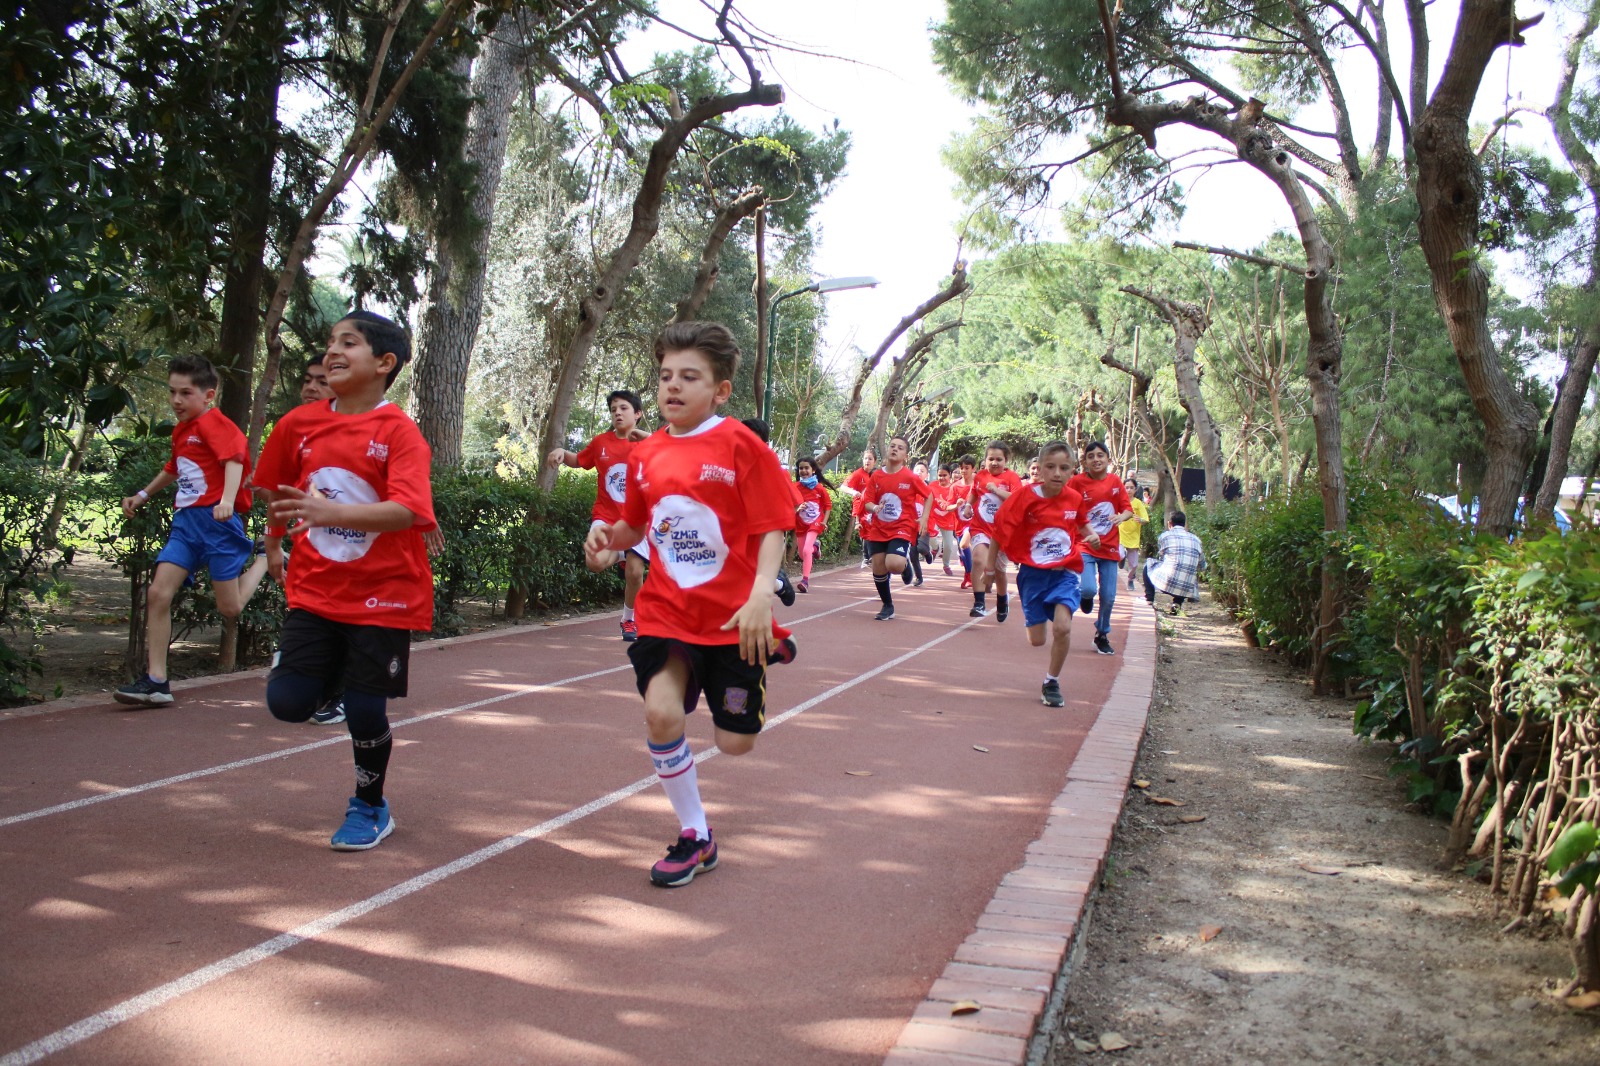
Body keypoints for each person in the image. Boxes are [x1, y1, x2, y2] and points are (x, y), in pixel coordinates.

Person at [583, 321, 796, 888]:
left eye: (689, 377)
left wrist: (759, 597)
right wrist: (608, 539)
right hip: (667, 611)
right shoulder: (647, 452)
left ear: (720, 390)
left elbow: (775, 526)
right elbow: (636, 524)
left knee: (736, 744)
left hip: (732, 618)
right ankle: (695, 834)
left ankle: (768, 640)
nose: (672, 387)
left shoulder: (740, 445)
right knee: (661, 712)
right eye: (665, 376)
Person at [255, 309, 437, 851]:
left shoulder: (400, 433)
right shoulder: (298, 423)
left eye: (348, 343)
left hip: (383, 594)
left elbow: (407, 509)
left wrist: (327, 512)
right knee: (288, 703)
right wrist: (272, 541)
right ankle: (329, 672)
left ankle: (369, 806)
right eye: (331, 341)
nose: (333, 351)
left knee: (364, 711)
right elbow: (279, 490)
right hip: (316, 588)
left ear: (384, 363)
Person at [115, 355, 269, 706]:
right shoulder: (183, 430)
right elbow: (174, 468)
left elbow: (233, 460)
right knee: (158, 593)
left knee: (229, 609)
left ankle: (261, 559)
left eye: (185, 393)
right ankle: (156, 681)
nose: (176, 401)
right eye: (172, 392)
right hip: (186, 525)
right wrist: (141, 494)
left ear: (208, 395)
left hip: (217, 523)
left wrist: (228, 499)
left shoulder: (217, 425)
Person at [548, 389, 651, 641]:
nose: (617, 412)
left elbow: (675, 446)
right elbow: (579, 460)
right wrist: (562, 453)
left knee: (636, 572)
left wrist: (648, 438)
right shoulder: (601, 443)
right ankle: (620, 554)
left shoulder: (650, 444)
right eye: (614, 408)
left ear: (637, 414)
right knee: (593, 563)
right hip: (606, 518)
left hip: (638, 522)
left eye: (624, 408)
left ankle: (629, 619)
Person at [993, 441, 1085, 707]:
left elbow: (1081, 524)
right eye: (1051, 467)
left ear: (1072, 471)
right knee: (1037, 640)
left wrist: (1089, 535)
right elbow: (1001, 526)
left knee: (1063, 628)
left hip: (1064, 572)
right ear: (1040, 469)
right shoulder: (1025, 496)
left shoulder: (1075, 499)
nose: (1057, 473)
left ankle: (1051, 681)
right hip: (1033, 574)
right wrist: (990, 566)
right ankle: (1042, 611)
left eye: (1064, 468)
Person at [1069, 441, 1134, 655]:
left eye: (1100, 455)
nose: (1096, 459)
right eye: (1091, 456)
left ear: (1107, 459)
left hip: (1110, 548)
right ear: (1085, 461)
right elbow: (1065, 503)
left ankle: (1102, 633)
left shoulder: (1115, 481)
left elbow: (1127, 509)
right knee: (1088, 588)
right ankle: (1085, 598)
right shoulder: (1077, 482)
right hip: (1085, 545)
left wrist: (1120, 517)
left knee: (1109, 596)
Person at [859, 435, 930, 620]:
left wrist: (924, 518)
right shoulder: (877, 476)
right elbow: (867, 501)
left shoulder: (910, 477)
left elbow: (929, 495)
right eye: (892, 446)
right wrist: (875, 508)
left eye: (900, 448)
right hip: (879, 528)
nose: (895, 449)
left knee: (894, 564)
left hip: (903, 526)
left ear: (905, 456)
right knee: (878, 567)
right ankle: (887, 605)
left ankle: (905, 566)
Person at [966, 441, 1023, 621]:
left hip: (1002, 532)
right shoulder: (980, 476)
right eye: (991, 459)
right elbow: (974, 492)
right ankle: (979, 603)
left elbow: (1016, 499)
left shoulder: (1012, 478)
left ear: (1006, 461)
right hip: (980, 527)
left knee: (999, 571)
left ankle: (1002, 599)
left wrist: (997, 490)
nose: (994, 463)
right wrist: (968, 505)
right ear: (985, 460)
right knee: (977, 560)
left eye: (999, 459)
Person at [1144, 510, 1207, 615]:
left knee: (1149, 564)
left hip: (1167, 582)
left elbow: (1161, 556)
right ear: (1184, 524)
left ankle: (1149, 599)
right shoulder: (1196, 539)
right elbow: (1202, 566)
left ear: (1169, 524)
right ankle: (1177, 603)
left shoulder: (1165, 536)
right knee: (1186, 572)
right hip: (1186, 587)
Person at [791, 457, 833, 593]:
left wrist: (824, 522)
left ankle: (805, 581)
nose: (803, 471)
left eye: (806, 468)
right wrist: (797, 508)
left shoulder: (819, 488)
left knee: (806, 550)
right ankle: (816, 547)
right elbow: (789, 505)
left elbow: (828, 506)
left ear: (813, 470)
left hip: (815, 522)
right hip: (801, 523)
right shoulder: (795, 487)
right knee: (803, 554)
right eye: (801, 468)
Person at [842, 449, 877, 567]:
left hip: (873, 508)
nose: (867, 461)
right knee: (866, 533)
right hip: (861, 509)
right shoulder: (858, 474)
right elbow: (843, 487)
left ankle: (869, 557)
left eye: (870, 459)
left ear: (875, 462)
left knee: (872, 532)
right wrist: (854, 492)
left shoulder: (875, 475)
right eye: (866, 458)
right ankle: (867, 557)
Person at [931, 464, 961, 576]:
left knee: (948, 545)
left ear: (949, 475)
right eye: (940, 475)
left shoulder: (954, 487)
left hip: (948, 519)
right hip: (933, 517)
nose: (942, 478)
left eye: (945, 475)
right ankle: (935, 548)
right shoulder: (932, 485)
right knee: (930, 535)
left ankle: (946, 565)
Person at [1120, 480, 1150, 591]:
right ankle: (1121, 560)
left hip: (1133, 537)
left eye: (1131, 488)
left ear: (1135, 489)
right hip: (1120, 536)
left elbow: (1146, 520)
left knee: (1134, 565)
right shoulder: (1119, 501)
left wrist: (1140, 520)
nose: (1128, 490)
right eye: (1126, 487)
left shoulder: (1138, 503)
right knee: (1119, 555)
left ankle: (1130, 579)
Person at [954, 454, 978, 588]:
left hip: (975, 523)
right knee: (963, 552)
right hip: (959, 524)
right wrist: (956, 505)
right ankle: (969, 574)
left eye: (966, 468)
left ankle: (972, 575)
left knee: (964, 545)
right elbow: (948, 506)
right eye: (961, 468)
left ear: (973, 469)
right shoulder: (955, 486)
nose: (963, 470)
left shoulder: (977, 485)